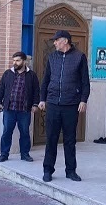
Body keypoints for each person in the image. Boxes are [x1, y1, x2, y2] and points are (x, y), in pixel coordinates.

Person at [39, 30, 90, 182]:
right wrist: (42, 99)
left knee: (70, 140)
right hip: (53, 103)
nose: (54, 43)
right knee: (51, 139)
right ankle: (48, 170)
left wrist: (83, 100)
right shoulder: (52, 57)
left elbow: (85, 81)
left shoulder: (79, 57)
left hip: (71, 104)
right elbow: (46, 79)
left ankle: (71, 171)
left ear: (65, 41)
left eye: (57, 40)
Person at [0, 51, 40, 162]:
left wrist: (35, 104)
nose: (15, 63)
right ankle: (4, 154)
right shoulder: (8, 73)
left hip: (24, 110)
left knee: (24, 132)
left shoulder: (31, 75)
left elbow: (36, 91)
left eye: (18, 60)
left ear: (24, 61)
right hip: (9, 109)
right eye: (14, 60)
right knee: (7, 132)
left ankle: (25, 154)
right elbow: (1, 88)